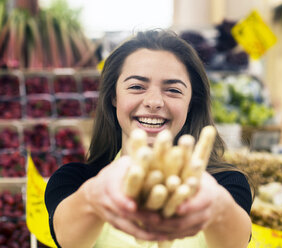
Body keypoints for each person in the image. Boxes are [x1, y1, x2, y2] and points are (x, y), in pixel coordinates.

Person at [45, 29, 253, 248]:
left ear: (191, 102)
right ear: (114, 96)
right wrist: (93, 197)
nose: (154, 102)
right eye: (136, 87)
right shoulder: (75, 180)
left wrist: (218, 206)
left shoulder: (227, 183)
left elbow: (235, 243)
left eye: (173, 90)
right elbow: (67, 238)